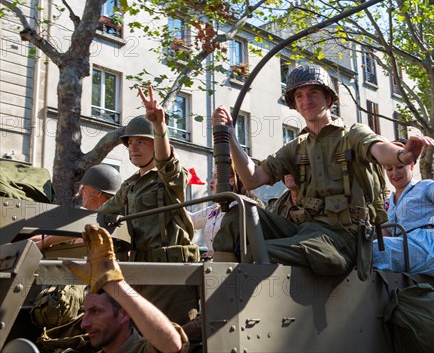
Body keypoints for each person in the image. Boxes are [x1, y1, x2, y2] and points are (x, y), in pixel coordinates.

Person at [211, 64, 434, 275]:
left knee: (259, 253)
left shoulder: (352, 135)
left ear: (328, 98)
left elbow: (378, 149)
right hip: (305, 231)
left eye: (313, 93)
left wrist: (402, 155)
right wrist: (230, 135)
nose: (305, 100)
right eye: (299, 96)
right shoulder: (296, 147)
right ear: (294, 104)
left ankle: (231, 308)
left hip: (343, 241)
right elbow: (252, 179)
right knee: (237, 215)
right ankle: (213, 307)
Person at [99, 85, 198, 325]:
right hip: (139, 267)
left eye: (141, 142)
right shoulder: (130, 185)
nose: (133, 147)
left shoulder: (170, 178)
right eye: (130, 142)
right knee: (142, 336)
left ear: (155, 145)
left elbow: (166, 162)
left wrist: (159, 126)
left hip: (171, 269)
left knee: (175, 335)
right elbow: (103, 214)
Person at [64, 224, 188, 353]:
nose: (84, 324)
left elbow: (171, 344)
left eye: (95, 312)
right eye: (85, 313)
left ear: (123, 313)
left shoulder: (141, 349)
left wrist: (113, 283)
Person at [372, 143, 434, 277]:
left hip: (430, 251)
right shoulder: (387, 202)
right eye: (389, 169)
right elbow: (384, 237)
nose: (395, 173)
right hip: (404, 250)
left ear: (411, 165)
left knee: (372, 251)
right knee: (364, 249)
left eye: (400, 167)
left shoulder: (426, 187)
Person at [35, 164, 121, 250]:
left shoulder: (110, 219)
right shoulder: (98, 217)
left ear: (97, 193)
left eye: (84, 188)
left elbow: (87, 228)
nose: (80, 193)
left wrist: (46, 242)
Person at [191, 166, 263, 258]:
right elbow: (190, 221)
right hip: (212, 265)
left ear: (231, 181)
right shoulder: (214, 209)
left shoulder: (242, 208)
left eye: (216, 177)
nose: (211, 181)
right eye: (212, 176)